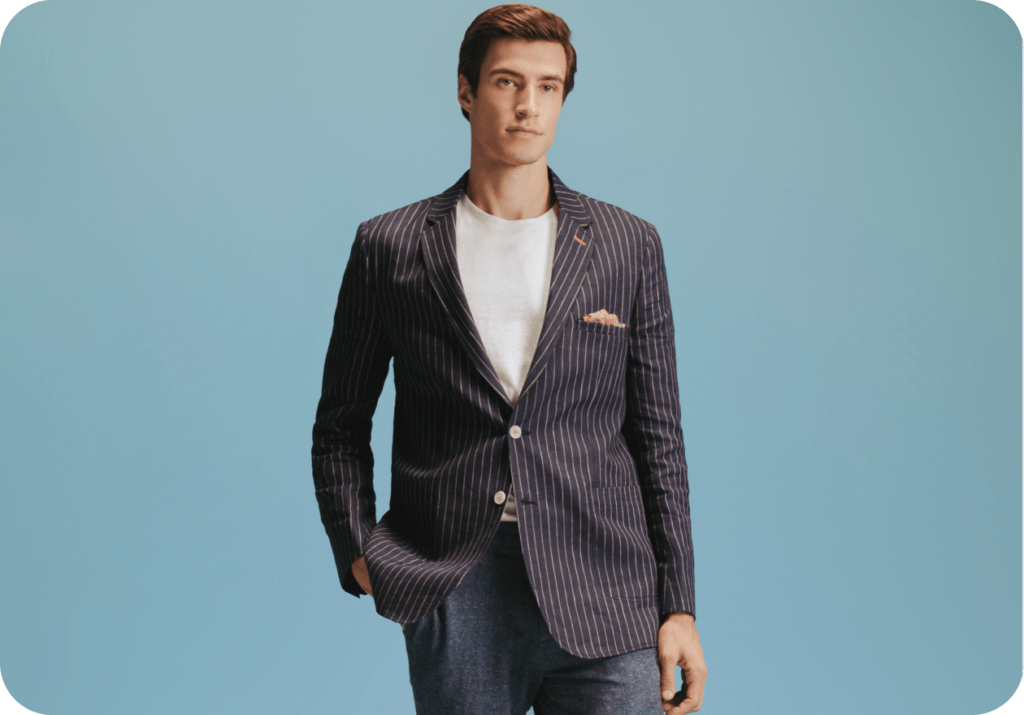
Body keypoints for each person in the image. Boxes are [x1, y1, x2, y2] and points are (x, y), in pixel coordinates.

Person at [311, 4, 707, 713]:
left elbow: (658, 438)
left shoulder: (627, 244)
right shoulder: (390, 245)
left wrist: (679, 605)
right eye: (507, 82)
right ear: (467, 92)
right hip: (456, 580)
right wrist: (359, 552)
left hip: (605, 579)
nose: (529, 106)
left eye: (548, 86)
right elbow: (340, 425)